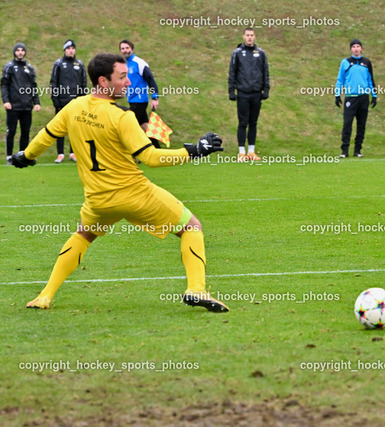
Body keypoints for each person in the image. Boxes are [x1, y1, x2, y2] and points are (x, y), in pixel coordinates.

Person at [11, 52, 228, 312]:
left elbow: (45, 136)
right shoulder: (122, 117)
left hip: (98, 201)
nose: (128, 83)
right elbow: (150, 157)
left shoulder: (73, 107)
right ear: (103, 81)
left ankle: (45, 296)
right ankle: (196, 290)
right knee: (191, 228)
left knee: (83, 235)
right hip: (135, 195)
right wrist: (194, 151)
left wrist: (25, 156)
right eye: (122, 77)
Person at [228, 27, 270, 162]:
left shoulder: (261, 53)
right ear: (243, 37)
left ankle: (251, 151)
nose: (250, 37)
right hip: (243, 93)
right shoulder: (237, 53)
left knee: (253, 122)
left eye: (252, 35)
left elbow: (265, 72)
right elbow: (232, 73)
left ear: (255, 36)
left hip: (256, 93)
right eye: (247, 35)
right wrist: (231, 90)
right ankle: (241, 152)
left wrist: (266, 89)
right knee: (243, 122)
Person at [335, 38, 376, 158]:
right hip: (350, 97)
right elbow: (340, 80)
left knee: (361, 125)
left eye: (358, 46)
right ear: (350, 49)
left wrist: (374, 96)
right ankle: (344, 151)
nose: (356, 49)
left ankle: (357, 150)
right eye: (353, 47)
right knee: (347, 124)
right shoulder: (345, 62)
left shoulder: (366, 62)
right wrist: (337, 95)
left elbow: (370, 80)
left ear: (362, 48)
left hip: (363, 98)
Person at [2, 43, 40, 165]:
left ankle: (22, 156)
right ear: (14, 52)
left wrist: (36, 102)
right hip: (13, 106)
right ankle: (9, 157)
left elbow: (33, 86)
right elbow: (4, 85)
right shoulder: (9, 67)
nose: (20, 52)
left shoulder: (29, 68)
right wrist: (6, 100)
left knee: (25, 132)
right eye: (17, 50)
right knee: (11, 131)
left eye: (22, 50)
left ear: (24, 52)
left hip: (26, 106)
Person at [50, 39, 87, 163]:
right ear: (64, 50)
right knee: (60, 128)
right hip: (62, 102)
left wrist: (82, 100)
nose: (71, 51)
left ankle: (73, 153)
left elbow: (83, 84)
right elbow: (53, 83)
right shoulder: (58, 64)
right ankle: (60, 154)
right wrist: (56, 101)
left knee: (75, 128)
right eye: (68, 48)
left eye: (72, 48)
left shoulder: (80, 64)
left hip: (76, 102)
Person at [119, 39, 161, 148]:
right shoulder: (124, 64)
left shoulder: (139, 63)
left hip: (140, 101)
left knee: (127, 124)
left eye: (127, 48)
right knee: (145, 127)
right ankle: (157, 149)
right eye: (122, 48)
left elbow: (150, 79)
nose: (125, 50)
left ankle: (135, 152)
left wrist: (155, 97)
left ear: (132, 49)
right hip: (132, 100)